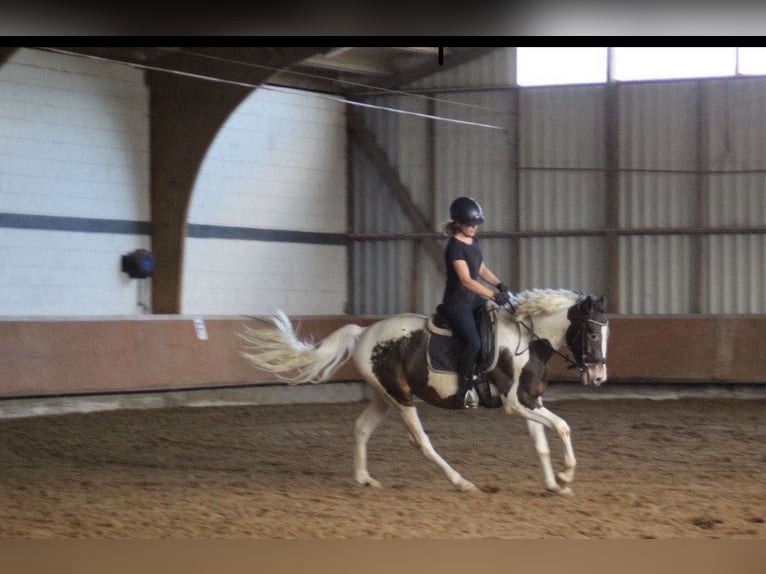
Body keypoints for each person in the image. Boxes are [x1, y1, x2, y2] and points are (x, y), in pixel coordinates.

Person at [439, 196, 511, 408]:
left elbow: (480, 268)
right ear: (458, 223)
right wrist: (493, 295)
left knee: (495, 330)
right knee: (474, 342)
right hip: (457, 303)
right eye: (469, 224)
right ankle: (463, 390)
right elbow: (466, 280)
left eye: (475, 224)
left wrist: (499, 284)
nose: (473, 228)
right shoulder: (454, 247)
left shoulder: (474, 242)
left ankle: (484, 386)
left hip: (474, 300)